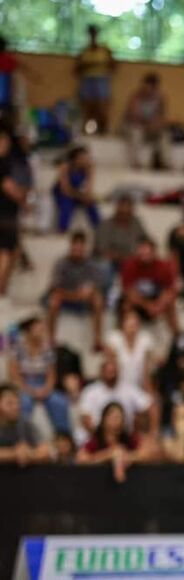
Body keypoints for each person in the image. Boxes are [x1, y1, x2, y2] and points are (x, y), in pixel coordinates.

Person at [8, 316, 71, 436]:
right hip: (23, 383)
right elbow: (14, 375)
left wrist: (46, 389)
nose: (41, 332)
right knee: (24, 402)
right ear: (28, 331)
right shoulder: (17, 347)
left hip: (43, 383)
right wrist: (29, 389)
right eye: (38, 329)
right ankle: (22, 437)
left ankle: (63, 438)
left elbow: (51, 375)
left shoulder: (47, 348)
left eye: (42, 329)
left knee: (60, 401)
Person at [77, 356, 158, 448]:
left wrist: (153, 432)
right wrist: (103, 439)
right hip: (97, 438)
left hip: (125, 438)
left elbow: (151, 406)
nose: (111, 375)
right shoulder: (90, 391)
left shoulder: (129, 389)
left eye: (113, 371)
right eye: (108, 371)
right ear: (101, 372)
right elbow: (85, 419)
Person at [47, 231, 105, 349]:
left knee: (98, 299)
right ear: (71, 246)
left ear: (84, 247)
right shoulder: (61, 263)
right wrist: (74, 295)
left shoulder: (91, 264)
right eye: (75, 246)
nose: (78, 249)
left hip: (84, 298)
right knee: (53, 300)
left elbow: (97, 285)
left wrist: (89, 291)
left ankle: (97, 339)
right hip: (66, 297)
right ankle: (51, 338)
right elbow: (56, 287)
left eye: (81, 246)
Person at [76, 401, 153, 483]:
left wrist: (128, 457)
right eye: (113, 418)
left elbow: (149, 452)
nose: (117, 421)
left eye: (119, 417)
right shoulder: (96, 441)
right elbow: (81, 459)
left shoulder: (127, 439)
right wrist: (108, 455)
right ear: (103, 420)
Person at [119, 238, 179, 334]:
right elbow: (128, 292)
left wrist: (159, 305)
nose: (145, 255)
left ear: (154, 252)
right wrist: (147, 305)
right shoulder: (129, 265)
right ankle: (124, 336)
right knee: (126, 305)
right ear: (137, 251)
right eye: (142, 251)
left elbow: (171, 290)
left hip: (156, 300)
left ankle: (177, 337)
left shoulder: (163, 266)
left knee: (171, 305)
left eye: (148, 252)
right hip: (139, 303)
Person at [93, 195, 151, 278]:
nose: (124, 213)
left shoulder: (137, 224)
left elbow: (146, 242)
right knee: (104, 265)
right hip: (110, 262)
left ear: (132, 211)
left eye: (127, 211)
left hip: (131, 261)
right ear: (117, 209)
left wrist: (140, 254)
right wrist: (122, 258)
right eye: (122, 211)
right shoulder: (105, 224)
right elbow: (102, 250)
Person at [74, 25, 116, 134]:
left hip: (101, 80)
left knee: (102, 107)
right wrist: (87, 66)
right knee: (87, 107)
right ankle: (87, 130)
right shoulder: (84, 51)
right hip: (87, 80)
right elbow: (77, 68)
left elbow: (113, 65)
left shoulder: (105, 50)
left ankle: (103, 130)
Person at [0, 126, 26, 302]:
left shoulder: (7, 161)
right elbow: (8, 187)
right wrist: (22, 198)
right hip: (4, 215)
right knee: (6, 252)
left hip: (8, 214)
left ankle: (3, 287)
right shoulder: (2, 163)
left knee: (14, 251)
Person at [123, 72, 169, 169]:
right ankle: (135, 161)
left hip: (150, 128)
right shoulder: (136, 97)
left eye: (152, 87)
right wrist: (146, 125)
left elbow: (161, 118)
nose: (149, 90)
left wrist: (155, 125)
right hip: (134, 126)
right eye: (147, 86)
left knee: (165, 135)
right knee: (136, 132)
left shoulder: (160, 99)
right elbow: (133, 117)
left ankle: (165, 162)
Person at [0, 384, 53, 466]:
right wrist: (14, 454)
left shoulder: (26, 426)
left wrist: (29, 454)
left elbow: (47, 451)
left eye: (17, 403)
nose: (16, 407)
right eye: (9, 403)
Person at [105, 310, 157, 392]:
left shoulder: (145, 339)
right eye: (130, 324)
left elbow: (146, 371)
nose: (132, 328)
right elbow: (111, 367)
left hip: (139, 386)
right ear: (122, 324)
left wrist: (149, 392)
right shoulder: (114, 338)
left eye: (135, 324)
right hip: (118, 386)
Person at [53, 145, 100, 232]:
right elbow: (65, 189)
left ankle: (99, 228)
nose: (86, 160)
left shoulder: (89, 168)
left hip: (77, 194)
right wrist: (80, 196)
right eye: (83, 157)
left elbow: (89, 189)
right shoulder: (65, 167)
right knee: (66, 203)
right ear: (76, 159)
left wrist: (86, 197)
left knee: (90, 202)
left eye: (87, 157)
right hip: (62, 194)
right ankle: (62, 229)